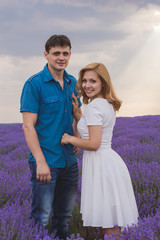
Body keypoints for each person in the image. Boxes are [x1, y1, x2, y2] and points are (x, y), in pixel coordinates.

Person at [61, 62, 139, 238]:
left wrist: (69, 138)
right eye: (85, 81)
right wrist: (78, 114)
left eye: (93, 81)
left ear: (103, 83)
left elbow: (94, 143)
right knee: (113, 225)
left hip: (101, 166)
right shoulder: (105, 104)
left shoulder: (95, 106)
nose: (87, 85)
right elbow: (93, 130)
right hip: (109, 163)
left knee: (109, 225)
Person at [20, 34, 82, 240]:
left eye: (65, 53)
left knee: (63, 217)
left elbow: (75, 116)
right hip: (46, 162)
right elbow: (28, 127)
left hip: (69, 163)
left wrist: (77, 137)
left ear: (70, 55)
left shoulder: (73, 83)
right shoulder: (34, 84)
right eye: (56, 53)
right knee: (41, 217)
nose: (61, 57)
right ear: (46, 55)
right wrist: (40, 162)